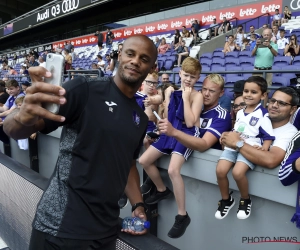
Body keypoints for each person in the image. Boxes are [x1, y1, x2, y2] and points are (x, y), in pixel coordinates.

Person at [3, 34, 158, 250]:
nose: (135, 61)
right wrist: (20, 117)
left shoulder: (139, 118)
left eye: (144, 58)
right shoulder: (85, 88)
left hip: (105, 232)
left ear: (153, 66)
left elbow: (128, 164)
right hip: (60, 228)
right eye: (130, 54)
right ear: (120, 55)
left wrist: (138, 205)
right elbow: (15, 129)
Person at [139, 57, 203, 239]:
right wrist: (156, 103)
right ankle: (161, 189)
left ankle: (182, 215)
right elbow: (167, 115)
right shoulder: (170, 90)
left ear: (197, 77)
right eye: (186, 75)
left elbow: (191, 122)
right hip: (170, 132)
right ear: (180, 73)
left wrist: (185, 97)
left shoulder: (196, 96)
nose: (188, 79)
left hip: (187, 135)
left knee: (173, 170)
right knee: (144, 160)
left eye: (192, 76)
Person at [215, 76, 275, 220]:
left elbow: (268, 136)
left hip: (249, 148)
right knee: (220, 170)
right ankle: (226, 199)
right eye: (246, 91)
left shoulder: (263, 114)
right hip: (233, 146)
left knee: (237, 173)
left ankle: (245, 199)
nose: (248, 94)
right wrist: (227, 137)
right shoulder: (240, 112)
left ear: (263, 95)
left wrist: (265, 149)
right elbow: (238, 129)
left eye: (253, 92)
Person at [220, 87, 298, 170]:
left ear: (292, 110)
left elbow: (271, 160)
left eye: (281, 103)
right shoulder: (254, 119)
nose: (274, 105)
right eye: (272, 101)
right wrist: (226, 139)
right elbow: (227, 146)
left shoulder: (290, 132)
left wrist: (237, 143)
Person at [252, 28, 278, 102]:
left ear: (271, 36)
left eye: (268, 35)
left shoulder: (274, 45)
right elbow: (252, 54)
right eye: (265, 35)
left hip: (268, 71)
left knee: (266, 91)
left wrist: (269, 46)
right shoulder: (258, 44)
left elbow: (276, 54)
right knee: (255, 89)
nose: (266, 36)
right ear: (262, 36)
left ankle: (263, 109)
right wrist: (256, 46)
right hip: (257, 70)